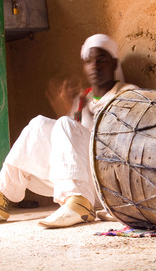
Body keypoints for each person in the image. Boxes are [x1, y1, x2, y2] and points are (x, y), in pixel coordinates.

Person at [0, 34, 138, 228]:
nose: (95, 66)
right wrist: (66, 108)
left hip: (109, 186)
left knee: (64, 123)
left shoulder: (128, 94)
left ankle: (79, 204)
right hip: (81, 177)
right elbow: (71, 143)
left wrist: (71, 118)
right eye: (89, 61)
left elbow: (126, 145)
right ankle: (3, 195)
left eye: (102, 60)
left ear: (114, 63)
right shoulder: (84, 100)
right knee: (38, 125)